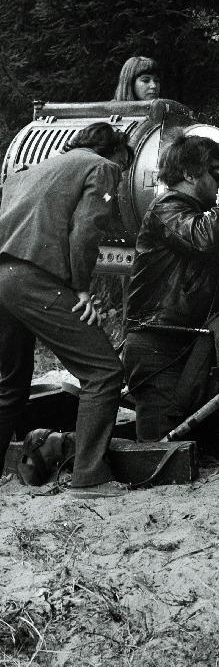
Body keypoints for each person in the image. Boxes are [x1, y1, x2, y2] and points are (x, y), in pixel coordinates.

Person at [0, 123, 131, 498]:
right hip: (33, 278)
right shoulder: (102, 166)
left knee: (11, 384)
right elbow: (85, 232)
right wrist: (82, 289)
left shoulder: (31, 171)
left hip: (2, 276)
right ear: (118, 153)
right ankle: (90, 477)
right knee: (103, 372)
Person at [122, 133, 219, 454]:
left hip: (192, 346)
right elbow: (201, 237)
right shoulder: (167, 208)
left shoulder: (207, 217)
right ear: (188, 173)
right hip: (157, 345)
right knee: (160, 458)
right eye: (215, 171)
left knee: (216, 454)